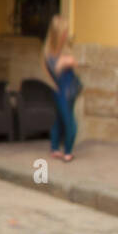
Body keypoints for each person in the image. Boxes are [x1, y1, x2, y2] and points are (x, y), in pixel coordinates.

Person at [42, 15, 79, 162]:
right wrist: (64, 63)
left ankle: (55, 148)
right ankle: (68, 151)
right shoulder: (49, 52)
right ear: (58, 33)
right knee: (69, 122)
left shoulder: (64, 50)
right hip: (61, 91)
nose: (66, 34)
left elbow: (74, 63)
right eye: (64, 32)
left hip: (69, 90)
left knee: (59, 119)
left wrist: (68, 61)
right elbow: (54, 70)